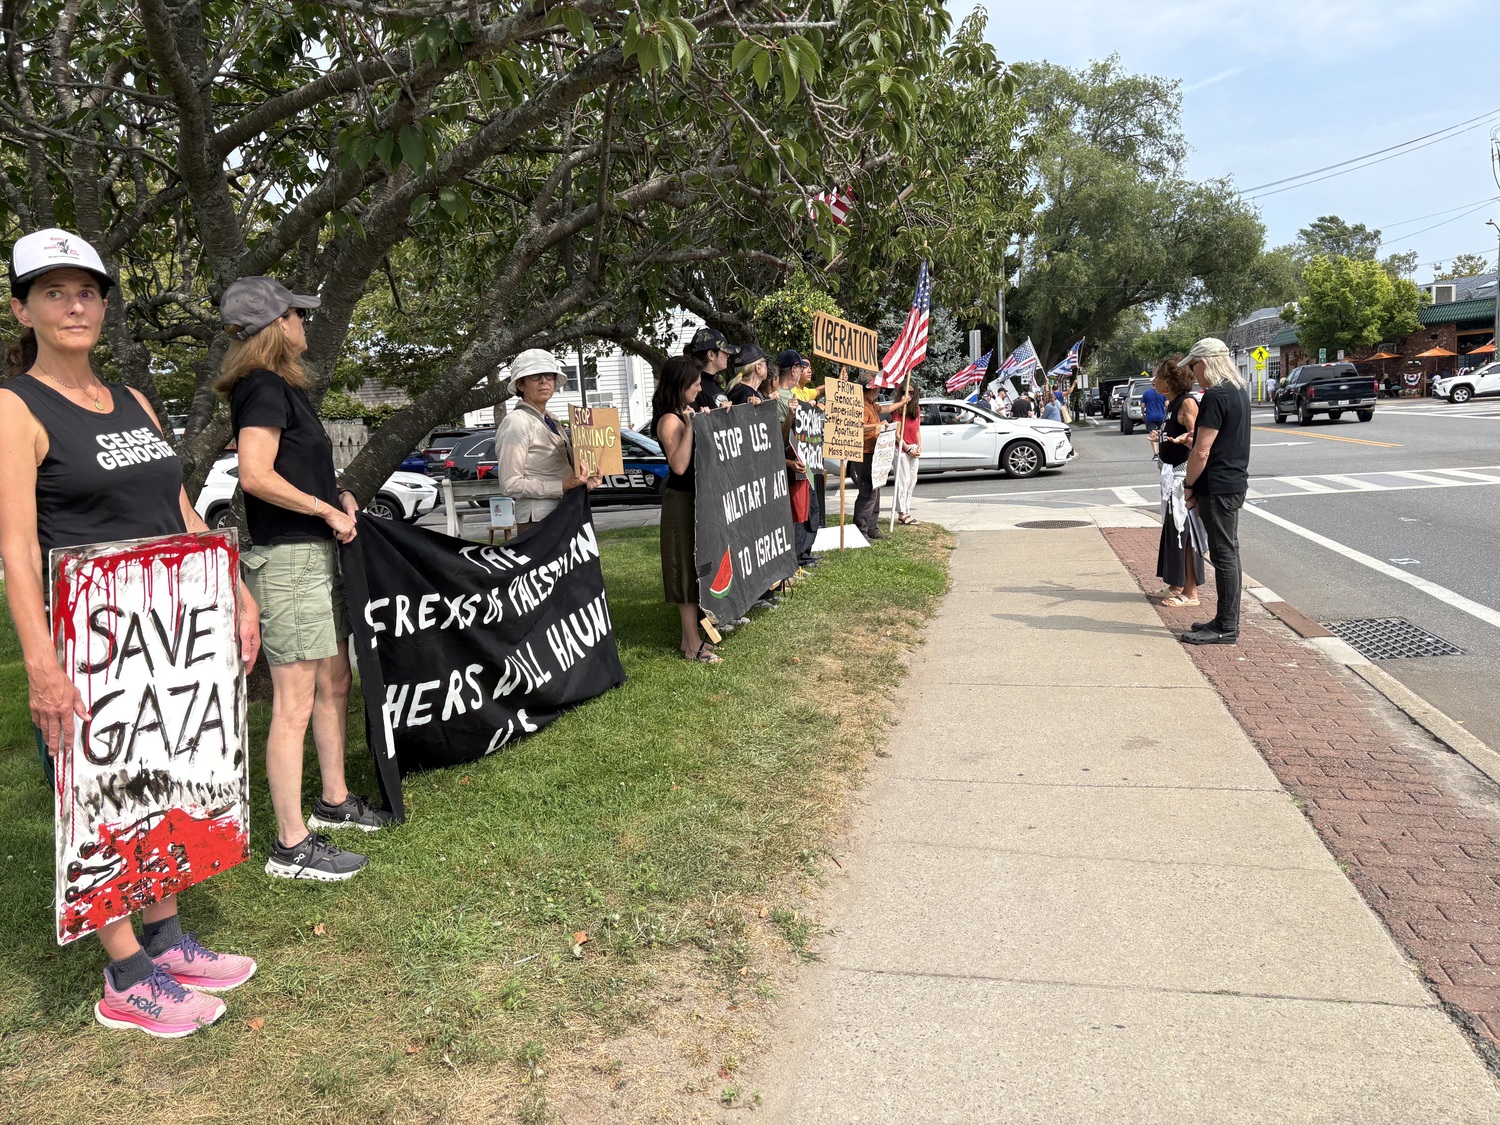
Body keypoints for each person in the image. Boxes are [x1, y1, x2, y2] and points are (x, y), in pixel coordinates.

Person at [0, 228, 261, 1036]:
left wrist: (237, 588)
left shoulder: (133, 403)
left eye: (87, 290)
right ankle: (125, 973)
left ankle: (168, 939)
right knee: (104, 800)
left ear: (105, 306)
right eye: (53, 291)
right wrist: (42, 666)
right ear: (23, 308)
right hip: (91, 650)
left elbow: (176, 510)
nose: (74, 304)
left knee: (165, 781)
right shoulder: (14, 408)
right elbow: (14, 545)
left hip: (169, 642)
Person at [216, 275, 391, 882]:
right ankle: (290, 846)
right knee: (293, 701)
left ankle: (334, 802)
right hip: (289, 560)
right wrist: (323, 511)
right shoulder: (262, 386)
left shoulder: (283, 389)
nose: (305, 325)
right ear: (275, 326)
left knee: (334, 681)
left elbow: (291, 470)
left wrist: (333, 494)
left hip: (314, 555)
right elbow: (256, 476)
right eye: (297, 316)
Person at [1179, 337, 1251, 646]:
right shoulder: (1238, 392)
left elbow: (1201, 451)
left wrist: (1189, 484)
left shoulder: (1215, 395)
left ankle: (1226, 625)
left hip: (1218, 486)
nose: (1193, 373)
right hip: (1232, 482)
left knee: (1224, 555)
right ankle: (1224, 620)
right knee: (1228, 552)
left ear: (1205, 363)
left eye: (1194, 366)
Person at [652, 356, 720, 663]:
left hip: (695, 500)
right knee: (684, 572)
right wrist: (693, 425)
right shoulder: (670, 419)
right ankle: (694, 646)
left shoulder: (685, 413)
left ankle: (687, 640)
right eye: (694, 383)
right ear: (681, 385)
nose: (698, 388)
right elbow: (679, 465)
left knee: (694, 572)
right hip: (680, 503)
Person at [495, 349, 599, 532]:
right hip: (538, 522)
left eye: (549, 375)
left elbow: (560, 472)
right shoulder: (516, 421)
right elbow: (510, 484)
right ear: (520, 384)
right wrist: (562, 485)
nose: (544, 380)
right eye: (535, 375)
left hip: (565, 513)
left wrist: (585, 481)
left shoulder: (551, 419)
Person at [1147, 359, 1204, 607]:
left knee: (1185, 533)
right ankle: (1175, 585)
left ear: (1169, 379)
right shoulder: (1171, 404)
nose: (1153, 380)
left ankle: (1191, 593)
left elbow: (1199, 439)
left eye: (1156, 376)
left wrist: (1185, 440)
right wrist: (1161, 439)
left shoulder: (1187, 403)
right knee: (1173, 532)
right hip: (1170, 479)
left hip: (1182, 479)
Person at [851, 379, 908, 541]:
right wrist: (879, 426)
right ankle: (861, 530)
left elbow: (885, 408)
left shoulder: (870, 404)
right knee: (868, 492)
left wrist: (902, 403)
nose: (879, 392)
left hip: (873, 452)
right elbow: (858, 426)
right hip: (865, 452)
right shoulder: (861, 405)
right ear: (872, 389)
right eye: (877, 389)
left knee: (875, 490)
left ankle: (872, 528)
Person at [782, 350, 826, 552]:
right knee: (800, 510)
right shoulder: (787, 396)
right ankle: (800, 554)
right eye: (803, 366)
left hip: (807, 460)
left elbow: (818, 391)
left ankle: (805, 552)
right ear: (794, 370)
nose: (808, 370)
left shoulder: (804, 392)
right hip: (795, 462)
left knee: (811, 509)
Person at [687, 326, 736, 410]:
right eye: (724, 351)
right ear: (711, 355)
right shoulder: (695, 387)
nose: (728, 355)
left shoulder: (715, 384)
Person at [893, 395, 922, 525]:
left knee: (912, 481)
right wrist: (907, 449)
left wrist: (919, 446)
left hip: (913, 447)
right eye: (906, 392)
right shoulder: (898, 410)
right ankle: (902, 513)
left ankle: (907, 510)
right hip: (902, 449)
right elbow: (896, 435)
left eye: (912, 392)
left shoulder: (916, 409)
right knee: (903, 481)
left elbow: (917, 430)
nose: (909, 396)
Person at [1142, 380, 1168, 460]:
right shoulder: (1163, 393)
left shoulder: (1146, 393)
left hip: (1150, 417)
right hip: (1161, 416)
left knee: (1152, 434)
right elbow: (1167, 404)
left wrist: (1143, 415)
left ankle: (1155, 454)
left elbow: (1143, 406)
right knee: (1163, 434)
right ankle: (1163, 452)